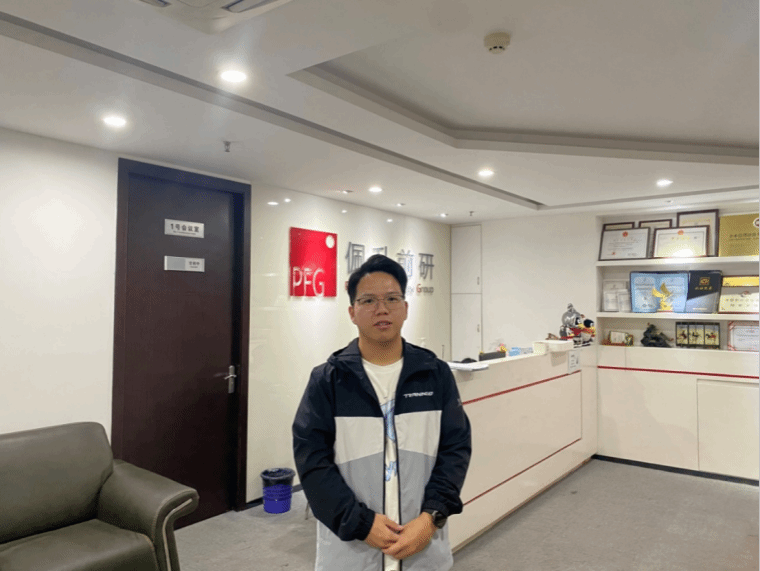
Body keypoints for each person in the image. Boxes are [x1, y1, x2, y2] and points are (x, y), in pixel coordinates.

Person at [293, 254, 472, 571]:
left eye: (392, 298)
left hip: (422, 547)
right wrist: (360, 523)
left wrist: (431, 517)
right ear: (352, 312)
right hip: (351, 552)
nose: (382, 309)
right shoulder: (328, 380)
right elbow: (312, 462)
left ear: (405, 307)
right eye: (368, 300)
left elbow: (455, 449)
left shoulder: (434, 374)